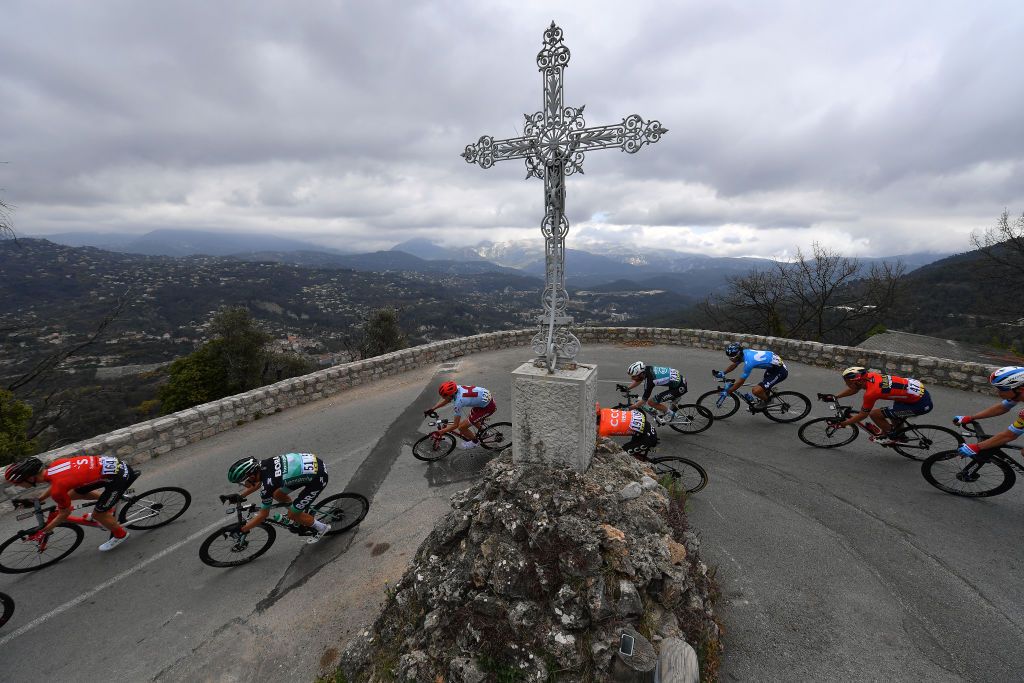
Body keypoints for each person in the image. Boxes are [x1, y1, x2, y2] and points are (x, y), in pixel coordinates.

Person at [4, 455, 137, 551]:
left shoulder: (57, 489)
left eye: (19, 483)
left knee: (98, 515)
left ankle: (120, 535)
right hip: (112, 466)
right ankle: (108, 505)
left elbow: (65, 512)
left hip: (118, 476)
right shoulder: (56, 465)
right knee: (74, 493)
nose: (19, 486)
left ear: (30, 478)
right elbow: (58, 483)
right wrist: (40, 499)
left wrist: (48, 528)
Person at [227, 453, 331, 544]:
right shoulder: (263, 465)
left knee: (293, 514)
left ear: (251, 476)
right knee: (277, 494)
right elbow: (259, 482)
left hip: (318, 478)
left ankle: (322, 528)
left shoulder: (268, 486)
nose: (243, 484)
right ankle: (296, 512)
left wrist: (243, 529)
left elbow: (263, 515)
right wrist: (241, 496)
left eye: (243, 481)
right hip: (312, 464)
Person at [832, 366, 932, 443]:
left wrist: (843, 424)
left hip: (920, 404)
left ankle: (891, 437)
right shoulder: (870, 376)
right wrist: (836, 396)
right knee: (893, 414)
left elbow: (863, 415)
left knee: (875, 414)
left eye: (848, 383)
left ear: (858, 381)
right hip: (916, 393)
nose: (846, 385)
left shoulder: (871, 393)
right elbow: (855, 389)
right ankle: (899, 434)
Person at [953, 366, 1024, 458]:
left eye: (1002, 389)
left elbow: (1009, 435)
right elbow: (1002, 407)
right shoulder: (1018, 393)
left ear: (1020, 389)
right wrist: (971, 417)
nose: (999, 393)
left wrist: (977, 447)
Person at [424, 381, 496, 450]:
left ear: (451, 395)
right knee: (471, 419)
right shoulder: (456, 388)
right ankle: (485, 433)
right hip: (483, 401)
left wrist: (441, 432)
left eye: (444, 396)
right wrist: (433, 409)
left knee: (462, 427)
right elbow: (447, 400)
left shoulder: (459, 402)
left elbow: (455, 425)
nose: (443, 398)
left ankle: (475, 442)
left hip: (487, 408)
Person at [717, 342, 787, 409]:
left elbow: (741, 382)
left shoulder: (749, 363)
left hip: (780, 371)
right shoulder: (744, 353)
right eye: (729, 357)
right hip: (773, 367)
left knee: (755, 391)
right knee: (763, 387)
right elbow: (734, 365)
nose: (730, 359)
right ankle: (768, 389)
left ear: (738, 355)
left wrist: (728, 391)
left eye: (732, 358)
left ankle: (769, 400)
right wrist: (723, 372)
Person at [622, 361, 687, 424]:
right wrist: (627, 388)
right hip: (679, 381)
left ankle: (672, 415)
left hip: (679, 388)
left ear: (641, 374)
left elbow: (644, 400)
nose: (632, 378)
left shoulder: (650, 381)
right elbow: (639, 379)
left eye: (634, 376)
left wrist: (630, 408)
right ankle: (671, 406)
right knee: (657, 401)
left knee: (652, 402)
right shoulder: (647, 369)